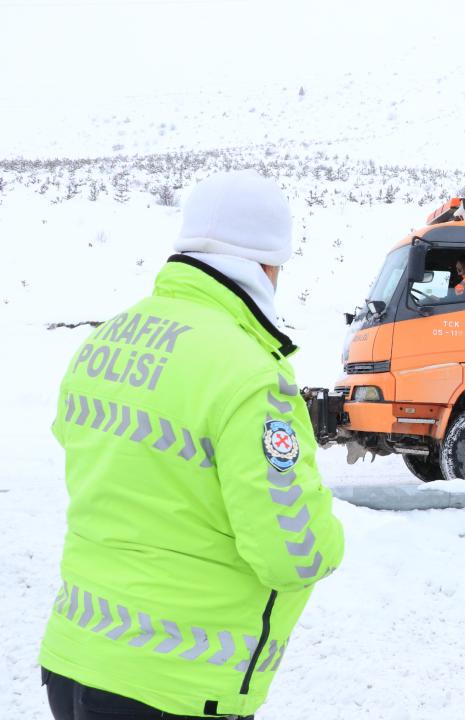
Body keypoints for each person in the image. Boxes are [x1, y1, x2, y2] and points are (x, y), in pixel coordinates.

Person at [41, 170, 344, 719]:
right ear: (268, 264)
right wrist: (327, 527)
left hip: (74, 660)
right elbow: (293, 554)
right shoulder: (251, 376)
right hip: (174, 686)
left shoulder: (105, 340)